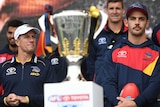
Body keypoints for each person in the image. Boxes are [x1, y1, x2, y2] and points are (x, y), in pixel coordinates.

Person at [96, 3, 160, 107]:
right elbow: (108, 82)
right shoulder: (113, 53)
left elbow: (156, 84)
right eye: (133, 19)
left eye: (141, 19)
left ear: (147, 23)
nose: (137, 22)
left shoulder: (157, 54)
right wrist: (119, 103)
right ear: (126, 22)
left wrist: (136, 103)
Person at [0, 24, 57, 107]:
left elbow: (54, 96)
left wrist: (27, 99)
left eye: (33, 37)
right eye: (27, 37)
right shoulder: (4, 67)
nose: (31, 40)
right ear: (17, 42)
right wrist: (5, 101)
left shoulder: (45, 65)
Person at [85, 0, 128, 81]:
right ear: (106, 10)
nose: (114, 12)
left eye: (118, 8)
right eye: (111, 8)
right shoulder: (97, 34)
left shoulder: (130, 34)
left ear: (123, 10)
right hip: (101, 86)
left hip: (124, 85)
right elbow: (90, 61)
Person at [0, 19, 24, 95]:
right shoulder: (0, 55)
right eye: (10, 33)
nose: (12, 36)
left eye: (15, 33)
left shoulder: (28, 57)